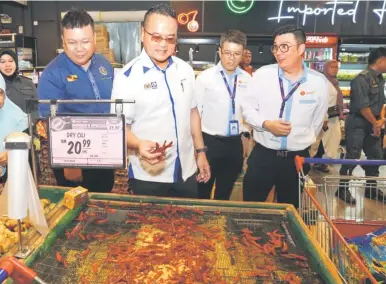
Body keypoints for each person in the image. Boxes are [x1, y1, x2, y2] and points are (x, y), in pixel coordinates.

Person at [111, 3, 210, 198]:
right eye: (156, 37)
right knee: (149, 229)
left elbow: (192, 112)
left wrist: (200, 152)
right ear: (142, 34)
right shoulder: (127, 77)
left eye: (170, 39)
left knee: (187, 226)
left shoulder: (185, 71)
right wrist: (139, 144)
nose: (163, 45)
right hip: (149, 177)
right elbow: (119, 127)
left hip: (186, 171)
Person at [242, 25, 329, 209]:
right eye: (275, 47)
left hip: (296, 160)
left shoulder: (318, 83)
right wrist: (266, 124)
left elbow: (317, 122)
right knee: (250, 209)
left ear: (301, 49)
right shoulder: (263, 75)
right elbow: (247, 110)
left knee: (289, 212)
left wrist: (301, 142)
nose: (278, 52)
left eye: (285, 46)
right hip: (263, 155)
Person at [37, 8, 114, 193]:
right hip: (73, 159)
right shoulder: (52, 73)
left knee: (103, 199)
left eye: (85, 41)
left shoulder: (104, 65)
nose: (79, 48)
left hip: (103, 152)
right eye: (72, 42)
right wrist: (70, 162)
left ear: (94, 40)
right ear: (63, 42)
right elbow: (49, 122)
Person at [194, 30, 251, 200]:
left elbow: (249, 112)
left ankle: (218, 225)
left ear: (242, 54)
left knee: (225, 194)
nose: (231, 58)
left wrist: (246, 137)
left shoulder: (248, 80)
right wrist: (197, 150)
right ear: (219, 51)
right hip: (209, 143)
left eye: (236, 54)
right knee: (202, 191)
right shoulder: (205, 78)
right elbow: (195, 114)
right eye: (227, 53)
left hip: (234, 144)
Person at [337, 47, 386, 205]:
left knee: (375, 156)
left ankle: (371, 189)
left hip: (374, 123)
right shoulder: (361, 79)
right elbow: (363, 106)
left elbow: (381, 102)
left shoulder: (380, 79)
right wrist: (376, 123)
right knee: (353, 156)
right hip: (358, 123)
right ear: (381, 61)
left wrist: (381, 120)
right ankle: (342, 189)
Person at [310, 60, 343, 173]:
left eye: (336, 67)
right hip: (324, 117)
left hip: (333, 117)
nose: (335, 69)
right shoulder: (322, 82)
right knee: (320, 141)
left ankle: (320, 161)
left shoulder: (335, 82)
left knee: (329, 141)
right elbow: (321, 101)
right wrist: (323, 117)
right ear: (325, 68)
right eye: (332, 67)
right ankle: (316, 161)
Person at [0, 48, 37, 113]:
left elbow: (36, 108)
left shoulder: (28, 83)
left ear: (16, 63)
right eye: (3, 62)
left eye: (11, 61)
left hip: (26, 122)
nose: (7, 65)